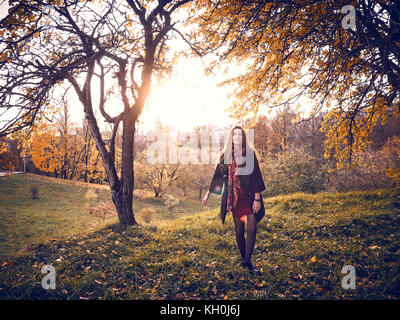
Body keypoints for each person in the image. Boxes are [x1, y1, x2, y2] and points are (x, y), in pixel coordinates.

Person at [202, 125, 266, 274]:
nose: (237, 137)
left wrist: (257, 199)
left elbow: (256, 176)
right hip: (234, 199)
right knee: (238, 232)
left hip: (249, 197)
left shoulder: (249, 154)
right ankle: (244, 258)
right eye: (234, 134)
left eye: (240, 134)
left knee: (252, 228)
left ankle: (247, 262)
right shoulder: (224, 156)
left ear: (243, 137)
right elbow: (217, 178)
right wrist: (207, 194)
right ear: (231, 137)